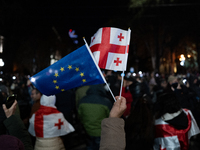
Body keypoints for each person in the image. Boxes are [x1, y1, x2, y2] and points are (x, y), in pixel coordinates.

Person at [78, 84, 112, 150]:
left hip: (88, 130)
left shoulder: (82, 101)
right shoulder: (106, 102)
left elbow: (80, 116)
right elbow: (111, 117)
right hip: (102, 132)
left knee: (90, 146)